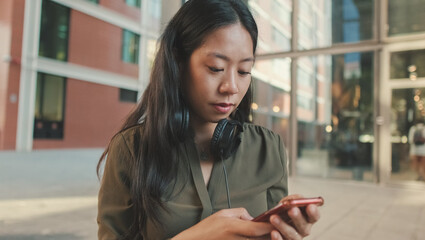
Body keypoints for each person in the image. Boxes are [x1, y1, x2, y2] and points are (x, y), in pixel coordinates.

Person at [97, 0, 320, 239]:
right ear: (178, 63)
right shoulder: (131, 151)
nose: (231, 87)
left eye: (244, 71)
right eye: (215, 68)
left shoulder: (268, 148)